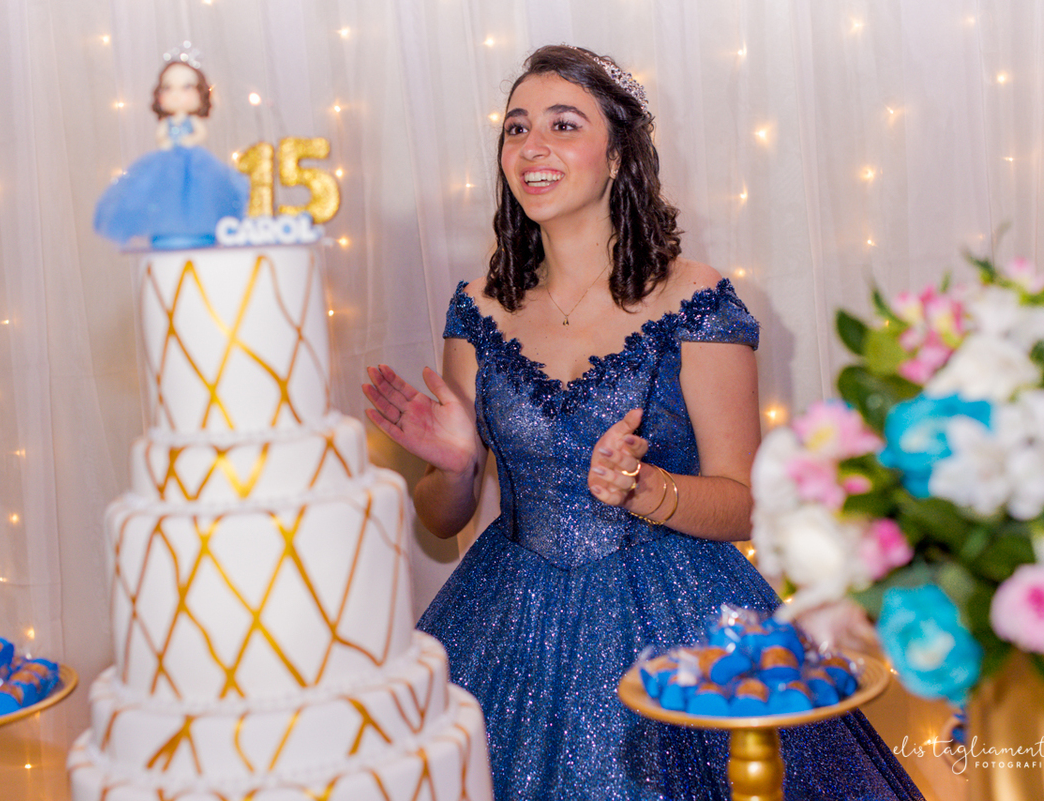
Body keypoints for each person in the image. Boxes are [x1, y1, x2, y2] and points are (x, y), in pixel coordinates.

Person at [364, 45, 921, 801]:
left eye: (564, 125)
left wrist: (649, 489)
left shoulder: (696, 298)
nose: (533, 147)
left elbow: (746, 501)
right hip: (505, 614)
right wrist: (457, 468)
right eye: (517, 128)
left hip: (677, 610)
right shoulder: (477, 306)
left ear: (618, 153)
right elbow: (442, 519)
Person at [94, 53, 248, 249]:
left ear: (201, 93)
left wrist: (189, 140)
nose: (176, 94)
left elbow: (200, 134)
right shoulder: (167, 122)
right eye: (168, 88)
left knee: (198, 193)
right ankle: (166, 228)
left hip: (195, 162)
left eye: (186, 87)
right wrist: (165, 142)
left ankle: (198, 229)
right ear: (159, 94)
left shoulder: (192, 121)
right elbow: (161, 136)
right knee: (164, 192)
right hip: (167, 162)